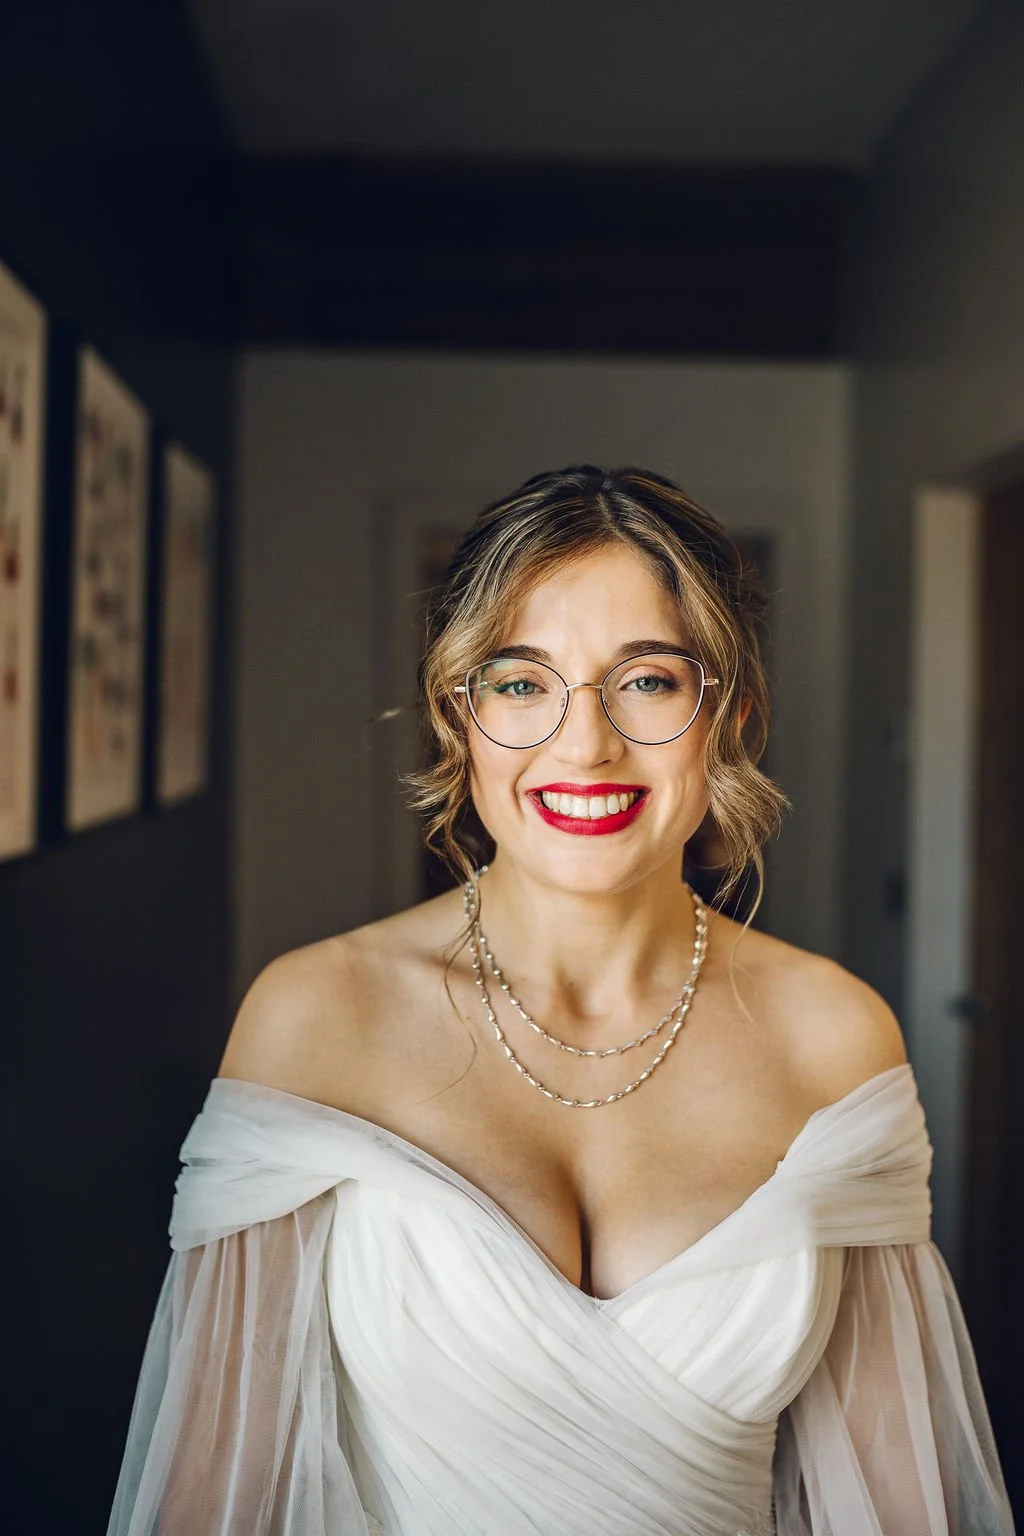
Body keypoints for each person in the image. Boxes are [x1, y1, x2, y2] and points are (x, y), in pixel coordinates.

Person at [107, 465, 1013, 1536]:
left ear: (727, 712)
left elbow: (894, 1494)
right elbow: (213, 1499)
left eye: (647, 681)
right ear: (459, 717)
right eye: (520, 681)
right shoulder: (317, 1015)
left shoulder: (834, 1033)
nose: (584, 744)